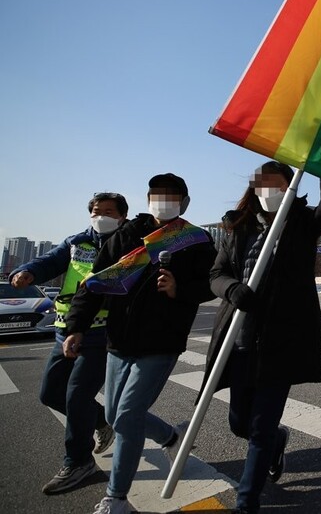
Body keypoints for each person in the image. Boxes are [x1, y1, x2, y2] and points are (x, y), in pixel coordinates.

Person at [63, 173, 216, 514]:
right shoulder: (127, 235)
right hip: (119, 340)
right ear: (148, 199)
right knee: (116, 416)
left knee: (129, 416)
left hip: (162, 341)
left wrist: (181, 290)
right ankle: (172, 437)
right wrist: (77, 327)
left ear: (184, 202)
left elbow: (211, 283)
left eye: (172, 195)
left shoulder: (195, 239)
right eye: (157, 194)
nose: (164, 200)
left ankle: (117, 498)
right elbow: (94, 284)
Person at [202, 161, 321, 514]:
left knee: (260, 427)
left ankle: (247, 501)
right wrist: (232, 289)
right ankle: (278, 441)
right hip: (239, 338)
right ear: (253, 188)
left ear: (292, 185)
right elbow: (217, 273)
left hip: (282, 339)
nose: (270, 191)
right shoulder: (237, 225)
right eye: (263, 185)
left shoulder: (303, 222)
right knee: (240, 423)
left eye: (278, 183)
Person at [10, 192, 128, 495]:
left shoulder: (127, 244)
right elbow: (49, 261)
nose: (101, 215)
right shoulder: (76, 243)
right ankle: (101, 419)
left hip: (101, 333)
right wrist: (26, 272)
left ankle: (78, 461)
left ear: (122, 216)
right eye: (96, 210)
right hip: (64, 330)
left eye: (109, 211)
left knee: (77, 396)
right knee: (50, 393)